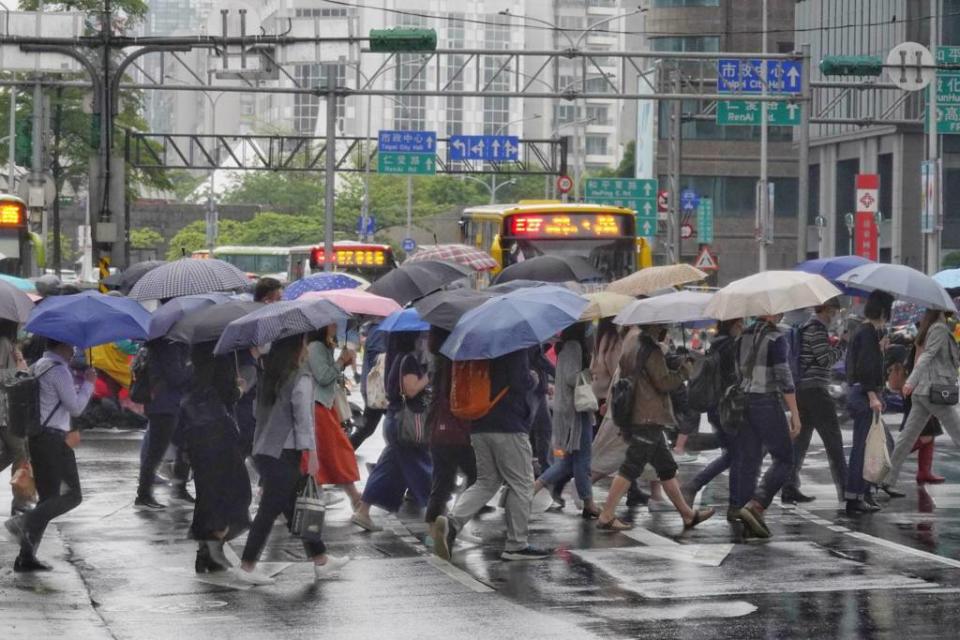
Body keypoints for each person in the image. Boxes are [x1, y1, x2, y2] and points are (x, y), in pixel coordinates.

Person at [235, 334, 349, 585]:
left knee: (294, 506)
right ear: (298, 347)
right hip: (284, 452)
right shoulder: (301, 378)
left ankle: (321, 560)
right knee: (269, 511)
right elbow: (303, 420)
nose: (308, 349)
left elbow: (257, 412)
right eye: (305, 344)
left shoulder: (269, 375)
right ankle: (247, 565)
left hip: (264, 448)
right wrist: (312, 455)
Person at [433, 348, 550, 561]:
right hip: (508, 425)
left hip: (479, 422)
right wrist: (532, 378)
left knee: (487, 481)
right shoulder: (514, 344)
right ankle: (516, 545)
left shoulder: (480, 345)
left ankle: (452, 523)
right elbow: (519, 380)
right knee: (522, 484)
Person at [595, 324, 714, 532]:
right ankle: (607, 515)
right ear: (654, 325)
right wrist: (684, 371)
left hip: (641, 413)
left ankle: (687, 515)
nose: (666, 328)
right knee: (631, 467)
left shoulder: (632, 343)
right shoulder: (650, 348)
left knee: (666, 468)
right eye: (663, 325)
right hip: (647, 415)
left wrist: (674, 361)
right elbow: (664, 382)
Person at [3, 338, 95, 572]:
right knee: (73, 495)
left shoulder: (39, 365)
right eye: (71, 346)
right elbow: (75, 407)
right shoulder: (59, 370)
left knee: (48, 498)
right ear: (61, 346)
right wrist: (88, 384)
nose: (74, 350)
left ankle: (26, 556)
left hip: (37, 438)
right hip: (54, 440)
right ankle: (23, 522)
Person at [179, 343, 251, 573]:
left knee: (207, 492)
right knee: (231, 492)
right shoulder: (221, 359)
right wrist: (240, 389)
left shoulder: (191, 362)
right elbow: (228, 395)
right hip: (218, 434)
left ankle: (206, 552)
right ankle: (213, 550)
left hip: (195, 433)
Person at [352, 331, 432, 532]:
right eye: (421, 336)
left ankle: (363, 511)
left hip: (394, 421)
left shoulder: (394, 358)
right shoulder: (409, 360)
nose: (424, 338)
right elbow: (411, 389)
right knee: (424, 468)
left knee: (387, 469)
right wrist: (429, 376)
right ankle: (441, 517)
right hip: (406, 423)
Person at [732, 314, 802, 538]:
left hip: (743, 402)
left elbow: (737, 373)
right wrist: (795, 414)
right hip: (766, 401)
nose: (781, 313)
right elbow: (784, 377)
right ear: (770, 312)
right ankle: (757, 504)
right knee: (785, 458)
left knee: (749, 460)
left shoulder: (741, 337)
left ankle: (744, 512)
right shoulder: (775, 337)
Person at [883, 309, 960, 492]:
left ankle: (887, 479)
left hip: (922, 391)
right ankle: (886, 477)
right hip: (933, 391)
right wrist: (910, 381)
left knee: (907, 438)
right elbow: (927, 355)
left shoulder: (929, 327)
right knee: (957, 431)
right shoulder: (939, 328)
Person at [784, 299, 848, 504]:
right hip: (816, 392)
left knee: (800, 443)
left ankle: (789, 487)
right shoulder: (817, 328)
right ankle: (848, 493)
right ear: (828, 310)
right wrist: (843, 344)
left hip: (803, 390)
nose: (835, 316)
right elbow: (825, 359)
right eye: (835, 312)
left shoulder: (806, 327)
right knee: (834, 442)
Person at [533, 323, 600, 518]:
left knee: (568, 462)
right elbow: (572, 377)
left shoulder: (568, 346)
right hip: (575, 410)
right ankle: (589, 503)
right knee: (583, 458)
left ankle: (533, 489)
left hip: (571, 408)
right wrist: (590, 373)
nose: (591, 333)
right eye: (588, 329)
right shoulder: (574, 346)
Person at [681, 318, 743, 521]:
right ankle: (733, 504)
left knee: (733, 454)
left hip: (716, 408)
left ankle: (733, 503)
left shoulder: (716, 344)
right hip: (727, 408)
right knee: (736, 455)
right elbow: (734, 378)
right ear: (732, 325)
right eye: (740, 324)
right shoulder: (730, 347)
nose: (742, 327)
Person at [844, 290, 896, 515]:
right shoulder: (866, 333)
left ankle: (863, 491)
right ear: (884, 310)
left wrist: (881, 348)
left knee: (877, 445)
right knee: (863, 449)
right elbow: (865, 368)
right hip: (865, 396)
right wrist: (873, 396)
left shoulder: (869, 333)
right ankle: (855, 496)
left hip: (865, 394)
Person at [304, 325, 361, 508]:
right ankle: (355, 498)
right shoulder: (316, 347)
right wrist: (339, 362)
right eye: (332, 323)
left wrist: (341, 362)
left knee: (328, 452)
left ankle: (352, 497)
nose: (335, 326)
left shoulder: (322, 346)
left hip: (323, 405)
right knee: (337, 451)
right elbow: (323, 376)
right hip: (318, 406)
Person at [424, 327, 476, 524]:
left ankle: (435, 529)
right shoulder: (456, 362)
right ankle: (452, 523)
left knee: (442, 483)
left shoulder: (438, 360)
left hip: (439, 430)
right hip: (457, 430)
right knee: (477, 477)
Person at [135, 338, 192, 509]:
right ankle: (143, 495)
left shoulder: (166, 345)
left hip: (168, 403)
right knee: (155, 452)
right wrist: (192, 366)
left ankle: (179, 488)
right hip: (164, 405)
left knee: (183, 444)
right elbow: (177, 377)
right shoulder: (168, 347)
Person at [0, 319, 29, 514]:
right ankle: (19, 502)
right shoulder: (2, 342)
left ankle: (20, 502)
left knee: (15, 451)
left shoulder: (8, 344)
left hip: (7, 408)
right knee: (20, 451)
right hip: (4, 409)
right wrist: (19, 370)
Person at [350, 321, 386, 450]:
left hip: (376, 387)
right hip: (377, 388)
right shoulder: (379, 330)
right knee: (368, 427)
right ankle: (343, 451)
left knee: (368, 427)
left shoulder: (378, 329)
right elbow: (379, 360)